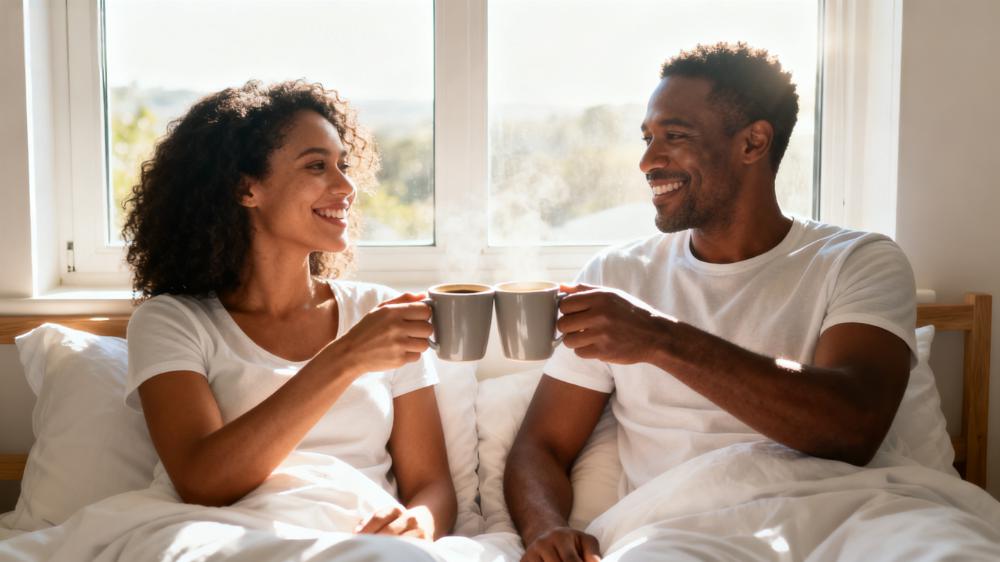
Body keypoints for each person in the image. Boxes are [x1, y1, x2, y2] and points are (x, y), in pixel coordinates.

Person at [504, 42, 921, 560]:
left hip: (852, 517)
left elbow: (853, 428)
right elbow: (541, 445)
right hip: (679, 531)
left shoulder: (857, 260)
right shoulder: (617, 275)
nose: (648, 161)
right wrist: (545, 529)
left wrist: (660, 339)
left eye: (675, 136)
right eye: (648, 138)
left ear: (753, 142)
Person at [122, 79, 455, 541]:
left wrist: (419, 524)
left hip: (363, 542)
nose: (346, 186)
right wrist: (347, 357)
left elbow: (432, 486)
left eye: (343, 165)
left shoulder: (380, 312)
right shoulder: (173, 321)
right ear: (246, 188)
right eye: (317, 166)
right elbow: (201, 482)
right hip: (228, 538)